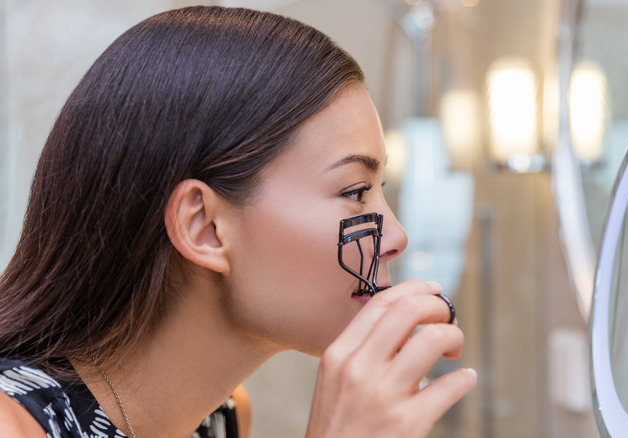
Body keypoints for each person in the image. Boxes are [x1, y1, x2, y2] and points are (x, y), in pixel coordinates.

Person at [0, 5, 476, 438]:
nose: (396, 236)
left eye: (380, 192)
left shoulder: (222, 415)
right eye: (355, 191)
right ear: (205, 227)